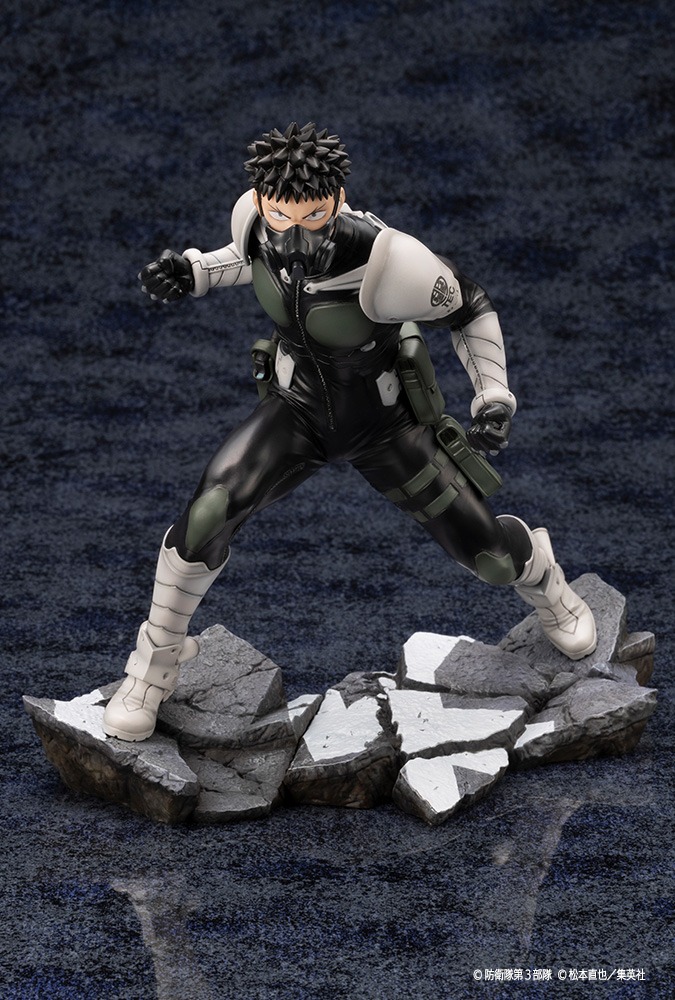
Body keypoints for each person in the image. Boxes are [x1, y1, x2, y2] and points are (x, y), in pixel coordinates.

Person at [103, 122, 596, 742]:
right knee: (208, 512)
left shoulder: (387, 259)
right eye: (282, 217)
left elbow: (469, 305)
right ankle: (156, 662)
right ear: (262, 202)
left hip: (384, 425)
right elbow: (246, 262)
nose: (297, 235)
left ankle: (541, 573)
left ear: (337, 199)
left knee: (492, 560)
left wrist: (493, 394)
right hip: (297, 412)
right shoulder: (254, 222)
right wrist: (196, 271)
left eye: (314, 216)